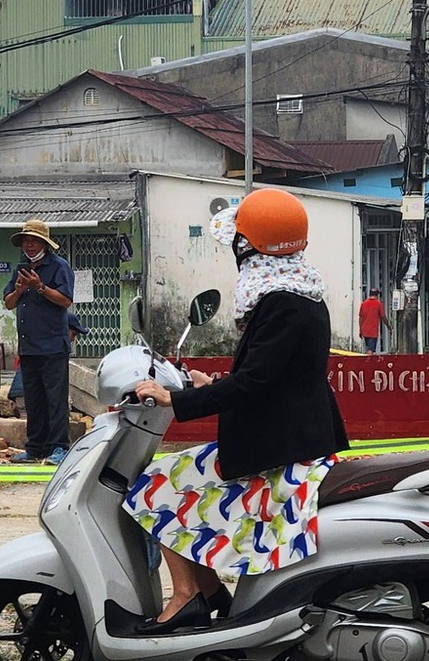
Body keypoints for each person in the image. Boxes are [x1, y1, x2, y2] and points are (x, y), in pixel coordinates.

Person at [125, 188, 349, 634]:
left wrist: (179, 399)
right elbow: (269, 376)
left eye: (236, 241)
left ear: (246, 246)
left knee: (154, 486)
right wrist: (216, 385)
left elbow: (257, 383)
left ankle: (187, 595)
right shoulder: (300, 290)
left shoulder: (282, 300)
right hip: (287, 436)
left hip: (280, 448)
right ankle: (210, 595)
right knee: (175, 483)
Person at [3, 219, 75, 464]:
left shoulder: (58, 267)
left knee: (55, 400)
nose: (29, 245)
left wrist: (40, 287)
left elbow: (65, 300)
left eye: (34, 241)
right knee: (33, 400)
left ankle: (59, 447)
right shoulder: (20, 269)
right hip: (29, 347)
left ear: (44, 243)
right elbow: (9, 303)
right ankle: (35, 448)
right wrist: (21, 289)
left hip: (53, 346)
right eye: (26, 241)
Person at [358, 288, 385, 354]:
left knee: (368, 347)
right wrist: (388, 326)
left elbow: (360, 318)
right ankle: (368, 362)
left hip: (365, 330)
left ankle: (367, 361)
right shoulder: (379, 304)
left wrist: (360, 330)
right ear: (377, 295)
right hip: (373, 331)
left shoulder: (363, 304)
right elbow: (383, 317)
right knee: (371, 349)